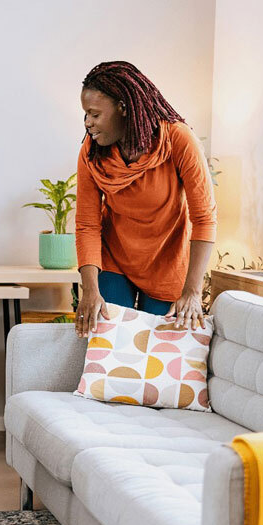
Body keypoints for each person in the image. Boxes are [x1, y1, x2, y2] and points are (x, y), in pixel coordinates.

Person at [74, 61, 217, 338]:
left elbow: (204, 219)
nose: (87, 123)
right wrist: (90, 290)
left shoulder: (177, 139)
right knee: (111, 337)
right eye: (85, 115)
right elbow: (87, 225)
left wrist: (192, 291)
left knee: (157, 346)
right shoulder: (91, 153)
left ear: (123, 108)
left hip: (166, 262)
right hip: (115, 258)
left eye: (94, 114)